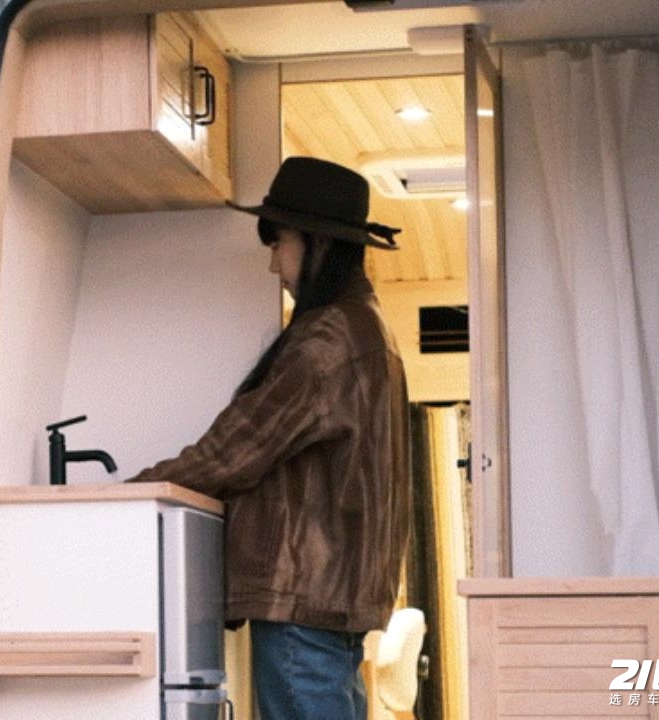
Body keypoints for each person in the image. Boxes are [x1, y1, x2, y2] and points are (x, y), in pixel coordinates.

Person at [125, 156, 413, 720]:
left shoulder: (328, 338)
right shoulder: (365, 327)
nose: (274, 263)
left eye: (278, 243)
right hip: (329, 601)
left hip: (303, 601)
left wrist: (127, 496)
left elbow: (233, 451)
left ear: (317, 243)